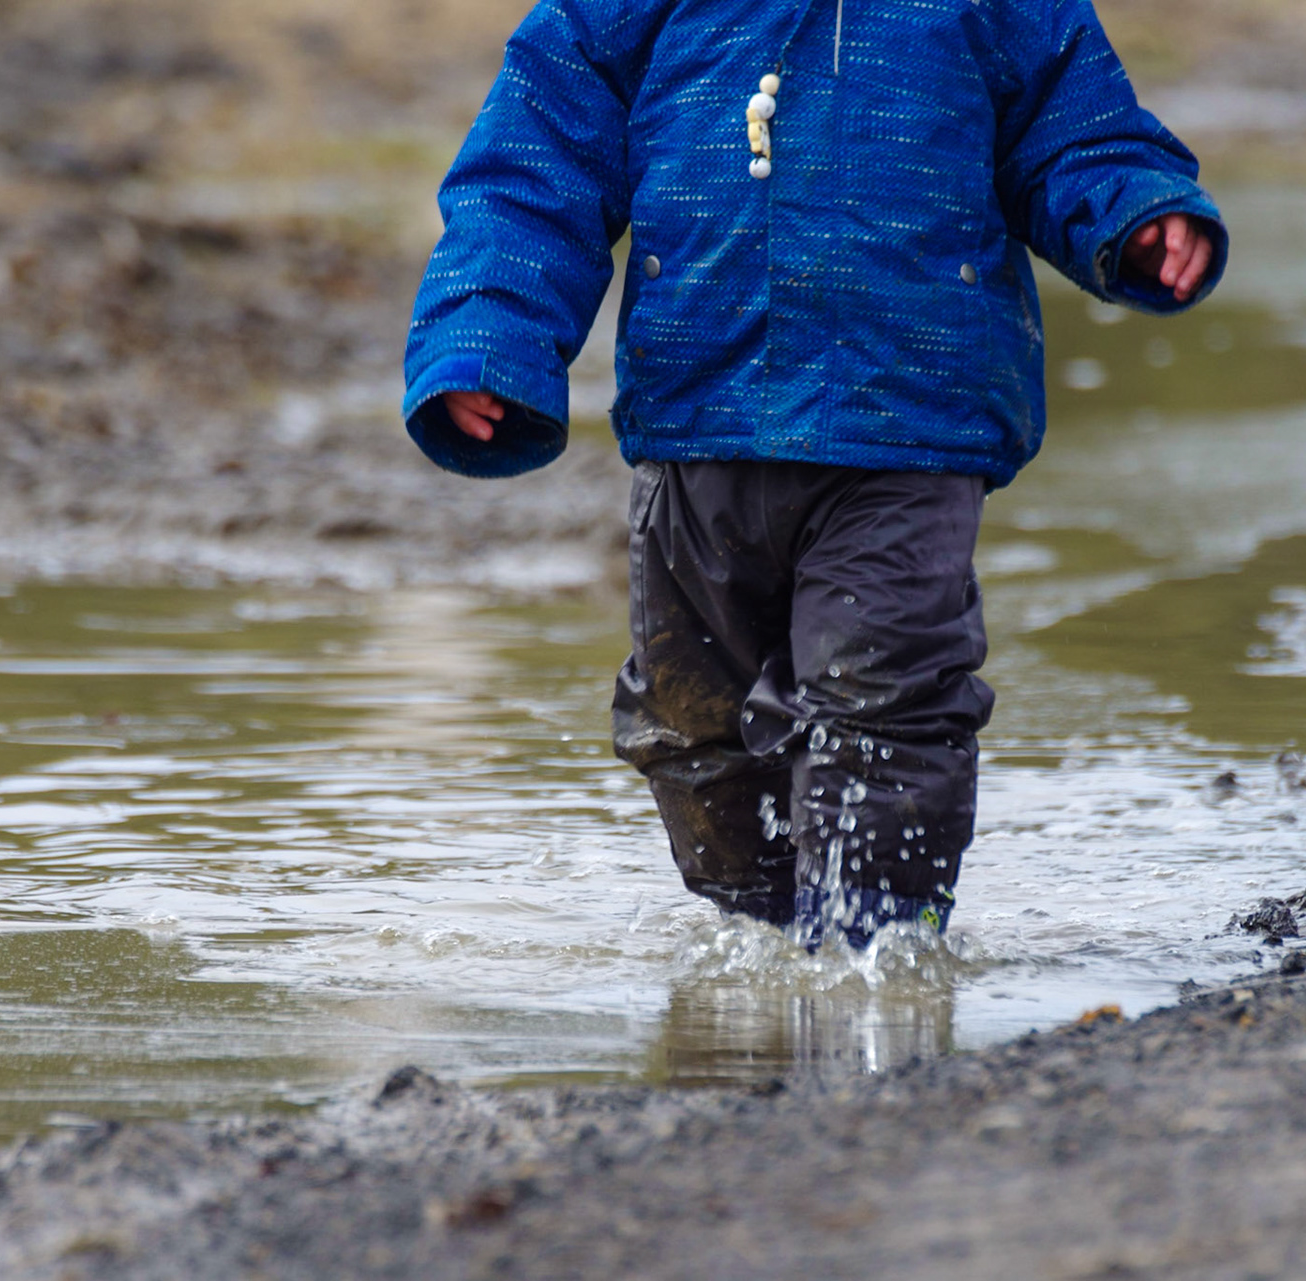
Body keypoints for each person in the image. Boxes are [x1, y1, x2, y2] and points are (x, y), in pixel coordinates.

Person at [400, 0, 1226, 950]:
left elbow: (1073, 128)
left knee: (888, 704)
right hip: (700, 416)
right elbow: (535, 162)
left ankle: (877, 952)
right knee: (691, 723)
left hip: (906, 428)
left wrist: (1135, 208)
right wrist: (489, 334)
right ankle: (762, 941)